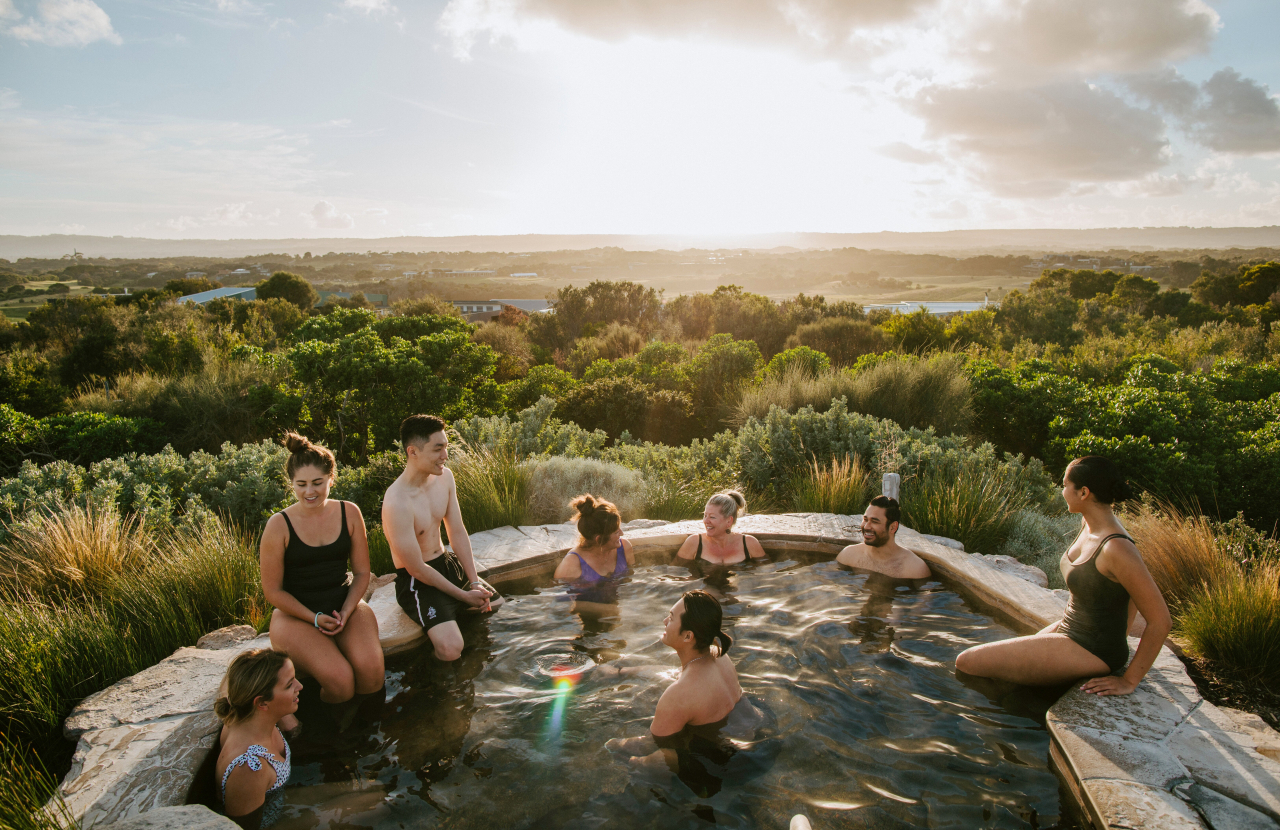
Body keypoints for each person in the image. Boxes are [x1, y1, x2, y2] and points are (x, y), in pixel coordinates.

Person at [955, 456, 1172, 694]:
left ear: (1084, 492)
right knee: (1004, 668)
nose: (1061, 491)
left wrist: (1129, 680)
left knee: (967, 662)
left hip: (1091, 648)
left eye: (1065, 484)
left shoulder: (1116, 547)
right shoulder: (1088, 524)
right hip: (1072, 629)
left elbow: (1160, 620)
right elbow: (1124, 595)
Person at [260, 433, 384, 705]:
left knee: (372, 673)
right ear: (291, 483)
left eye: (317, 483)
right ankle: (336, 736)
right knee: (340, 681)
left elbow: (362, 572)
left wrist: (349, 610)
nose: (310, 491)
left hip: (343, 605)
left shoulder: (349, 512)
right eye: (301, 484)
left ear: (331, 478)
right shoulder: (278, 525)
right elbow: (272, 591)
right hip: (295, 617)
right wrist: (314, 618)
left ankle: (370, 735)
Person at [383, 414, 499, 663]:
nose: (445, 455)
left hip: (447, 563)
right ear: (412, 451)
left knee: (495, 605)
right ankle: (430, 680)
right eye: (438, 449)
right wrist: (463, 596)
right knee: (450, 648)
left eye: (446, 446)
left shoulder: (444, 478)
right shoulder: (397, 502)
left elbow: (456, 531)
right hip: (419, 581)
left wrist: (474, 582)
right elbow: (416, 568)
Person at [214, 648, 302, 830]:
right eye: (289, 685)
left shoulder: (242, 712)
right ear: (262, 703)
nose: (300, 686)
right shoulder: (249, 769)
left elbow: (231, 681)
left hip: (283, 799)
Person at [553, 494, 636, 613]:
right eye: (616, 532)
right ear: (599, 539)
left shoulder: (624, 548)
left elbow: (631, 581)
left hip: (616, 608)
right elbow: (560, 602)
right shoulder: (572, 564)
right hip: (588, 616)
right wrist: (603, 609)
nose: (622, 534)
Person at [835, 495, 930, 579]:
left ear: (893, 527)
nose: (866, 526)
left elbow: (926, 598)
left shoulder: (914, 568)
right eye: (865, 519)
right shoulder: (849, 555)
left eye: (875, 521)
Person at [676, 490, 767, 565]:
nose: (706, 521)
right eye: (705, 515)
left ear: (729, 521)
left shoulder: (749, 543)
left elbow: (768, 574)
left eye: (712, 517)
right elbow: (675, 574)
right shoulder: (694, 542)